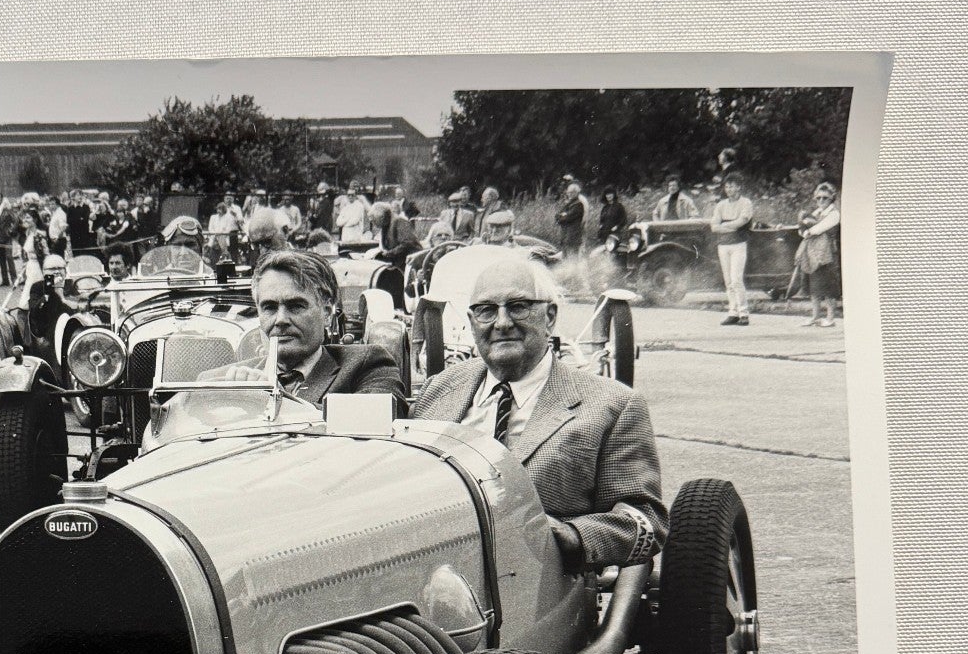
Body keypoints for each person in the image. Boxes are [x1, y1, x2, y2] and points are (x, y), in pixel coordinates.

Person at [413, 255, 665, 571]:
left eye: (518, 306)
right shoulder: (439, 389)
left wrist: (571, 535)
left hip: (538, 581)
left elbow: (646, 520)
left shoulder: (611, 405)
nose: (502, 323)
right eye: (486, 310)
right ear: (471, 321)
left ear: (549, 316)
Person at [209, 249, 402, 407]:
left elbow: (375, 421)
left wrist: (275, 398)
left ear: (327, 313)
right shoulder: (219, 381)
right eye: (269, 307)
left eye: (296, 306)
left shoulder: (369, 365)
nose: (281, 319)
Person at [711, 171, 754, 325]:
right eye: (727, 186)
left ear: (739, 187)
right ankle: (733, 312)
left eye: (732, 186)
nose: (729, 189)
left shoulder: (746, 203)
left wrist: (724, 225)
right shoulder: (721, 205)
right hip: (723, 246)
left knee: (736, 279)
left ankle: (744, 313)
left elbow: (741, 222)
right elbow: (714, 227)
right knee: (728, 281)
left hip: (738, 245)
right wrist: (730, 226)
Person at [797, 181, 841, 327]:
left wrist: (807, 229)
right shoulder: (816, 213)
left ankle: (830, 318)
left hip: (828, 253)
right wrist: (804, 229)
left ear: (831, 199)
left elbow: (818, 228)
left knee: (828, 285)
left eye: (825, 198)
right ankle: (815, 316)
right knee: (813, 285)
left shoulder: (834, 214)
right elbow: (802, 230)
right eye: (818, 198)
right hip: (813, 252)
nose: (821, 201)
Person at [555, 179, 589, 253]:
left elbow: (568, 218)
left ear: (576, 193)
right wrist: (561, 216)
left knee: (572, 261)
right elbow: (557, 216)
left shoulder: (578, 204)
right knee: (564, 260)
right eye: (568, 192)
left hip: (573, 238)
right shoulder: (569, 204)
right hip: (565, 237)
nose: (569, 194)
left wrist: (563, 216)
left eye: (571, 193)